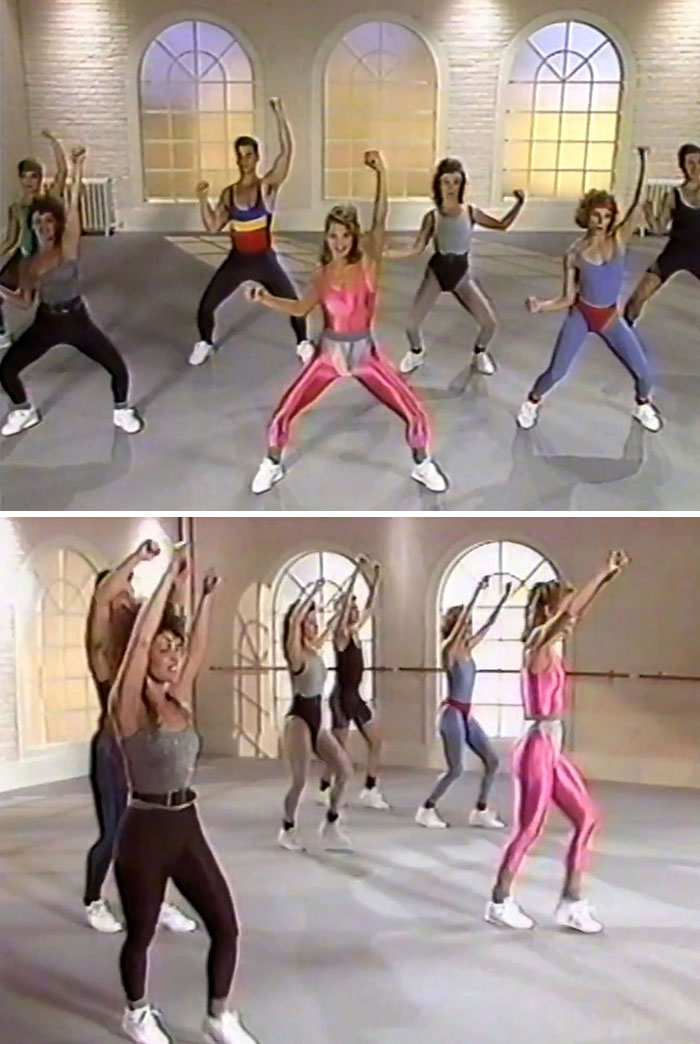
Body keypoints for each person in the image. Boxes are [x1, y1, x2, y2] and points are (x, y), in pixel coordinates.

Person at [110, 547, 258, 1044]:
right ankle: (136, 1012)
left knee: (226, 926)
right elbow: (137, 647)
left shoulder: (179, 696)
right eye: (164, 649)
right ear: (146, 651)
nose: (174, 657)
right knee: (142, 934)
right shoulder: (127, 703)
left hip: (186, 825)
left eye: (175, 649)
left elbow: (197, 649)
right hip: (145, 831)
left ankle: (218, 1016)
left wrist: (208, 599)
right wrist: (166, 580)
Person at [248, 150, 448, 495]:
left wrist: (381, 174)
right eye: (332, 236)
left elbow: (381, 218)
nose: (339, 242)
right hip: (328, 356)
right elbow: (300, 309)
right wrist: (266, 299)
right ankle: (272, 463)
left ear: (353, 237)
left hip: (365, 356)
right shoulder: (322, 274)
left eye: (344, 236)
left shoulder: (369, 264)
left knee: (414, 413)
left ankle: (422, 464)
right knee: (283, 413)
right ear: (325, 238)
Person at [485, 550, 630, 934]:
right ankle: (499, 901)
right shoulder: (536, 643)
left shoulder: (552, 647)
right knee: (528, 828)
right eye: (562, 606)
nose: (570, 617)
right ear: (548, 610)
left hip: (551, 749)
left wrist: (603, 580)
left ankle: (572, 902)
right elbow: (569, 616)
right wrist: (601, 574)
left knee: (586, 819)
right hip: (534, 749)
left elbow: (571, 617)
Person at [84, 538, 196, 936]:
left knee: (155, 832)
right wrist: (137, 558)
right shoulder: (104, 652)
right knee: (115, 832)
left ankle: (157, 900)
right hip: (114, 751)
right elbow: (101, 599)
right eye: (120, 593)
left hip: (147, 752)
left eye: (130, 591)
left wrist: (178, 579)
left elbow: (169, 620)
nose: (126, 597)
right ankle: (94, 898)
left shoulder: (144, 649)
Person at [516, 147, 662, 433]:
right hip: (581, 315)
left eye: (606, 216)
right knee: (557, 371)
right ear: (587, 216)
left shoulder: (618, 239)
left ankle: (642, 405)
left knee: (644, 372)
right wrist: (541, 306)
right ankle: (532, 402)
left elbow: (638, 203)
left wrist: (645, 161)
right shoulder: (574, 253)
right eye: (596, 215)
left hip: (609, 316)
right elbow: (567, 298)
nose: (601, 221)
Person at [0, 146, 143, 437]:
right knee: (5, 369)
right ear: (33, 226)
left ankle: (122, 411)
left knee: (117, 368)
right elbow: (24, 302)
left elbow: (74, 204)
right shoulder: (28, 264)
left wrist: (78, 169)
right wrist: (2, 292)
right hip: (46, 323)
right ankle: (24, 411)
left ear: (57, 224)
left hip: (77, 320)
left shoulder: (68, 246)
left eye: (49, 221)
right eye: (38, 223)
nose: (44, 227)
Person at [191, 97, 314, 366]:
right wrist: (202, 198)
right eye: (240, 156)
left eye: (248, 155)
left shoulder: (266, 186)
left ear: (257, 158)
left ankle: (303, 343)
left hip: (264, 260)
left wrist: (279, 113)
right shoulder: (228, 193)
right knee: (206, 305)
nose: (243, 161)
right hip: (238, 261)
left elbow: (287, 152)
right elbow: (212, 226)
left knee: (294, 304)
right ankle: (206, 343)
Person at [383, 158, 525, 376]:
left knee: (490, 324)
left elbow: (502, 225)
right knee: (411, 324)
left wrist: (519, 204)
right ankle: (416, 352)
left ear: (462, 185)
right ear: (438, 185)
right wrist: (386, 254)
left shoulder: (471, 212)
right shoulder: (432, 217)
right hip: (436, 274)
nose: (450, 187)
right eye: (446, 182)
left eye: (455, 182)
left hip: (461, 275)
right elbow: (416, 248)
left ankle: (479, 353)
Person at [415, 575, 511, 829]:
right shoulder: (448, 650)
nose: (468, 627)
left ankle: (480, 810)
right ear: (454, 625)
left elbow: (488, 625)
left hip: (466, 714)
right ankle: (426, 808)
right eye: (464, 622)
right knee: (456, 769)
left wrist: (502, 599)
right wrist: (476, 592)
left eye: (469, 622)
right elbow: (456, 633)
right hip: (451, 714)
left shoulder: (468, 648)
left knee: (492, 760)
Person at [278, 577, 356, 852]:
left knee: (345, 769)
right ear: (298, 626)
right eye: (308, 622)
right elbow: (292, 624)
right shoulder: (295, 653)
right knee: (299, 781)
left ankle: (331, 824)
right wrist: (311, 591)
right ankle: (287, 827)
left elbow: (336, 621)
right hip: (298, 719)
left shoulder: (315, 648)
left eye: (314, 622)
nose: (314, 626)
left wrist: (344, 599)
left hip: (317, 721)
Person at [318, 555, 390, 811]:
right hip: (340, 698)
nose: (356, 611)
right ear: (342, 611)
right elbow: (340, 619)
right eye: (350, 607)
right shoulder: (341, 635)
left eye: (355, 608)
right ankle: (325, 788)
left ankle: (370, 789)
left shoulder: (357, 631)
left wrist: (376, 578)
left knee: (376, 741)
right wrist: (354, 574)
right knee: (338, 750)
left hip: (355, 697)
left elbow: (371, 606)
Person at [0, 129, 68, 348]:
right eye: (25, 176)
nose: (29, 181)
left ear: (40, 178)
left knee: (48, 300)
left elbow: (63, 171)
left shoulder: (50, 197)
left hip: (47, 256)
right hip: (25, 256)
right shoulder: (16, 208)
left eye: (34, 176)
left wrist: (53, 141)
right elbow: (10, 240)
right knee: (20, 299)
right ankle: (2, 332)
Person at [624, 143, 700, 324]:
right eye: (690, 163)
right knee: (637, 298)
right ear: (682, 166)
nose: (695, 168)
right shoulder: (674, 195)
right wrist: (650, 214)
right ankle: (625, 334)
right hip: (675, 253)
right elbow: (658, 229)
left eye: (699, 162)